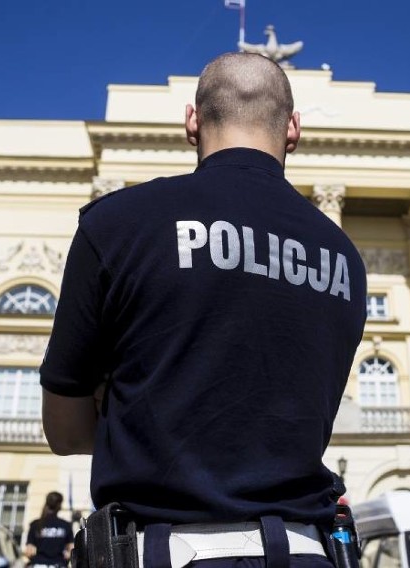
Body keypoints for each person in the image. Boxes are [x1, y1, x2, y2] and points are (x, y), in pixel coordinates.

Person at [40, 52, 366, 568]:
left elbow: (64, 431)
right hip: (307, 553)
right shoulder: (345, 257)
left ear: (192, 120)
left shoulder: (117, 223)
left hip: (161, 552)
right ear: (294, 128)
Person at [24, 491, 74, 567]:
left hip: (38, 565)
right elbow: (71, 551)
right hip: (58, 564)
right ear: (59, 505)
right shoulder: (66, 525)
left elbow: (29, 552)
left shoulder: (35, 524)